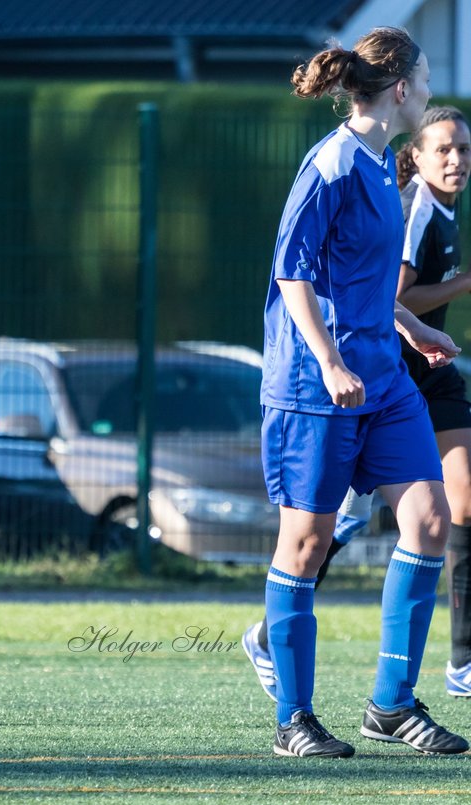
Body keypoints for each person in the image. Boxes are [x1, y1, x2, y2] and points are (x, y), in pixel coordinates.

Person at [253, 27, 469, 759]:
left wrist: (408, 326)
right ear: (402, 88)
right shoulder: (333, 165)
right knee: (307, 544)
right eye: (429, 78)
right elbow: (294, 274)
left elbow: (366, 280)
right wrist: (330, 361)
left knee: (430, 519)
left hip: (382, 378)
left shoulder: (383, 167)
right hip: (317, 387)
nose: (434, 92)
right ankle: (293, 718)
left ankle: (391, 705)